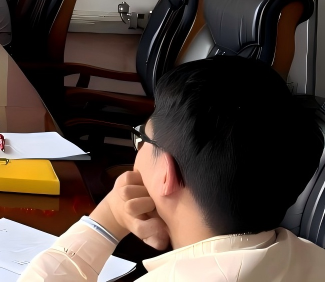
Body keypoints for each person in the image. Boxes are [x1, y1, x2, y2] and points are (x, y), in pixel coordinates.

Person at [21, 56, 325, 281]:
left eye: (141, 139)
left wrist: (107, 219)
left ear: (165, 173)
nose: (138, 148)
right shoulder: (315, 259)